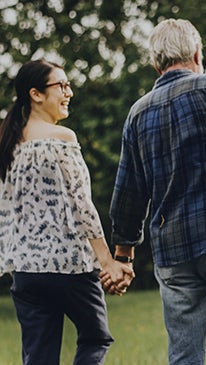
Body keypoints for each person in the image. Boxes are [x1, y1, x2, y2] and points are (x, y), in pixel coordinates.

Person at [104, 18, 206, 365]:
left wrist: (123, 256)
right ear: (197, 53)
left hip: (171, 251)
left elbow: (128, 194)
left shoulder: (137, 114)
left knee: (183, 355)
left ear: (155, 63)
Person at [0, 59, 134, 365]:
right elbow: (82, 205)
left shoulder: (8, 144)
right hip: (69, 266)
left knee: (39, 356)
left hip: (26, 272)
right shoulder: (62, 139)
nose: (68, 92)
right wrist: (108, 262)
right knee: (95, 337)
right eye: (61, 85)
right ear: (36, 94)